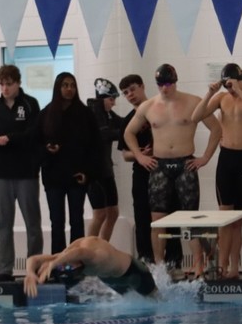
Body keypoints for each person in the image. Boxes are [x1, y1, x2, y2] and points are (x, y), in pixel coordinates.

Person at [123, 63, 221, 279]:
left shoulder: (193, 102)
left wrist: (205, 157)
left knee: (191, 219)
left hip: (186, 164)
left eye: (168, 83)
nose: (165, 88)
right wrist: (140, 156)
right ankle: (159, 270)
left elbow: (216, 128)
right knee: (157, 220)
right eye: (161, 84)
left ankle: (198, 268)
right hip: (159, 167)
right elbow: (128, 133)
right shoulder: (148, 106)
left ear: (175, 82)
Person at [191, 62, 242, 279]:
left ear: (241, 80)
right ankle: (224, 268)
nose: (230, 89)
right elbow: (196, 117)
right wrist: (209, 93)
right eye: (228, 85)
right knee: (227, 217)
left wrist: (241, 90)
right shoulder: (221, 99)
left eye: (233, 84)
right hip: (226, 159)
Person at [117, 74, 184, 272]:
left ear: (143, 86)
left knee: (171, 214)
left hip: (166, 171)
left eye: (132, 89)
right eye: (125, 93)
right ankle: (147, 261)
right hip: (142, 173)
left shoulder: (160, 110)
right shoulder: (128, 120)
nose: (130, 95)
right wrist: (139, 155)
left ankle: (173, 260)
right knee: (143, 217)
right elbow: (125, 154)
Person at [0, 65, 43, 281]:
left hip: (26, 171)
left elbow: (33, 134)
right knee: (3, 224)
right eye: (1, 84)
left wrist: (9, 138)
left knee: (32, 222)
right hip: (2, 172)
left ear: (18, 83)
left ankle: (34, 266)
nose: (5, 88)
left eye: (9, 84)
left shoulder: (30, 104)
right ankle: (4, 270)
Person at [35, 72, 99, 254]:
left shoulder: (85, 114)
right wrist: (47, 151)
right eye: (65, 85)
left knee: (77, 220)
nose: (69, 89)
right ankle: (57, 261)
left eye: (72, 85)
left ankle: (76, 260)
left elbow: (94, 146)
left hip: (77, 175)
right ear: (58, 88)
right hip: (53, 175)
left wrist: (88, 172)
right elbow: (35, 143)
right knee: (57, 221)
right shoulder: (46, 114)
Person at [23, 235, 157, 299]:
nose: (65, 265)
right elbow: (33, 259)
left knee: (156, 302)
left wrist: (55, 263)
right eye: (66, 266)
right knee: (135, 305)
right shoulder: (68, 257)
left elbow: (79, 252)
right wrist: (30, 273)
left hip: (134, 273)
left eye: (66, 265)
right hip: (113, 280)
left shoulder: (94, 257)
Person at [86, 78, 123, 241]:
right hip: (93, 172)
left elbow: (123, 124)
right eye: (111, 99)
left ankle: (102, 247)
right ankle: (88, 251)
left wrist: (140, 114)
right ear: (102, 98)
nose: (114, 103)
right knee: (99, 213)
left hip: (106, 170)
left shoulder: (107, 113)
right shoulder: (93, 112)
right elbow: (104, 134)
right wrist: (125, 134)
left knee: (113, 212)